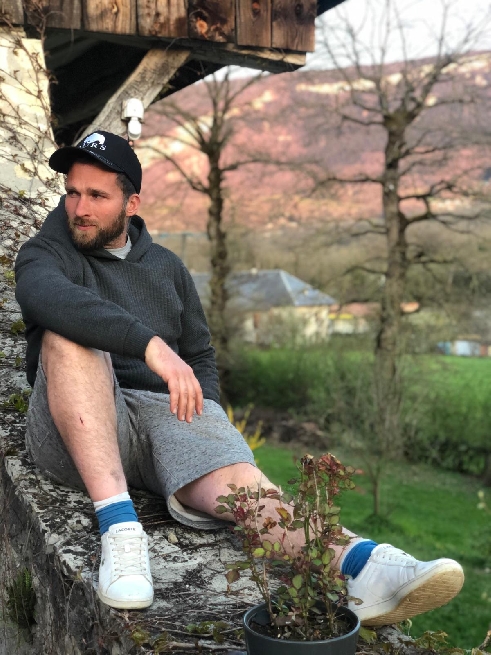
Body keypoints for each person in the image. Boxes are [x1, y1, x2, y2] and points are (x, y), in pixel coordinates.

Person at [15, 131, 464, 624]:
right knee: (66, 335)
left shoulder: (167, 267)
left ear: (131, 203)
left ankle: (359, 566)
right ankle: (120, 530)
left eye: (97, 196)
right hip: (79, 427)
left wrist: (205, 419)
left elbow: (200, 352)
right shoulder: (48, 251)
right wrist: (150, 345)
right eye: (72, 192)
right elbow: (44, 296)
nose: (79, 208)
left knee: (247, 489)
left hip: (163, 419)